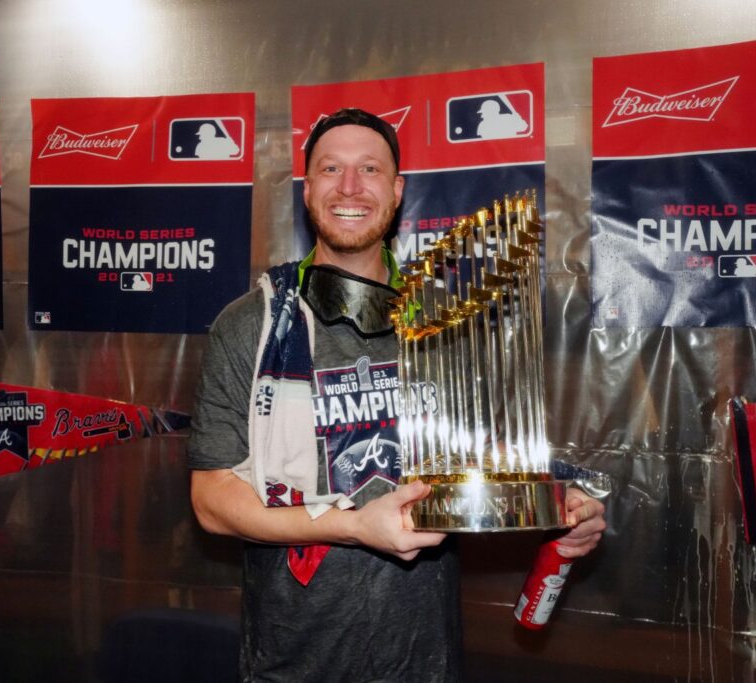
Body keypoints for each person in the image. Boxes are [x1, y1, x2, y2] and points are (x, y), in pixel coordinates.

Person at [187, 108, 605, 681]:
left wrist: (561, 505)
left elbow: (480, 466)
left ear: (397, 189)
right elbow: (211, 501)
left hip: (423, 657)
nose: (350, 187)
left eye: (370, 169)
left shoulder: (446, 319)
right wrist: (351, 524)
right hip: (294, 661)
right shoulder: (252, 323)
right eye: (331, 168)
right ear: (308, 190)